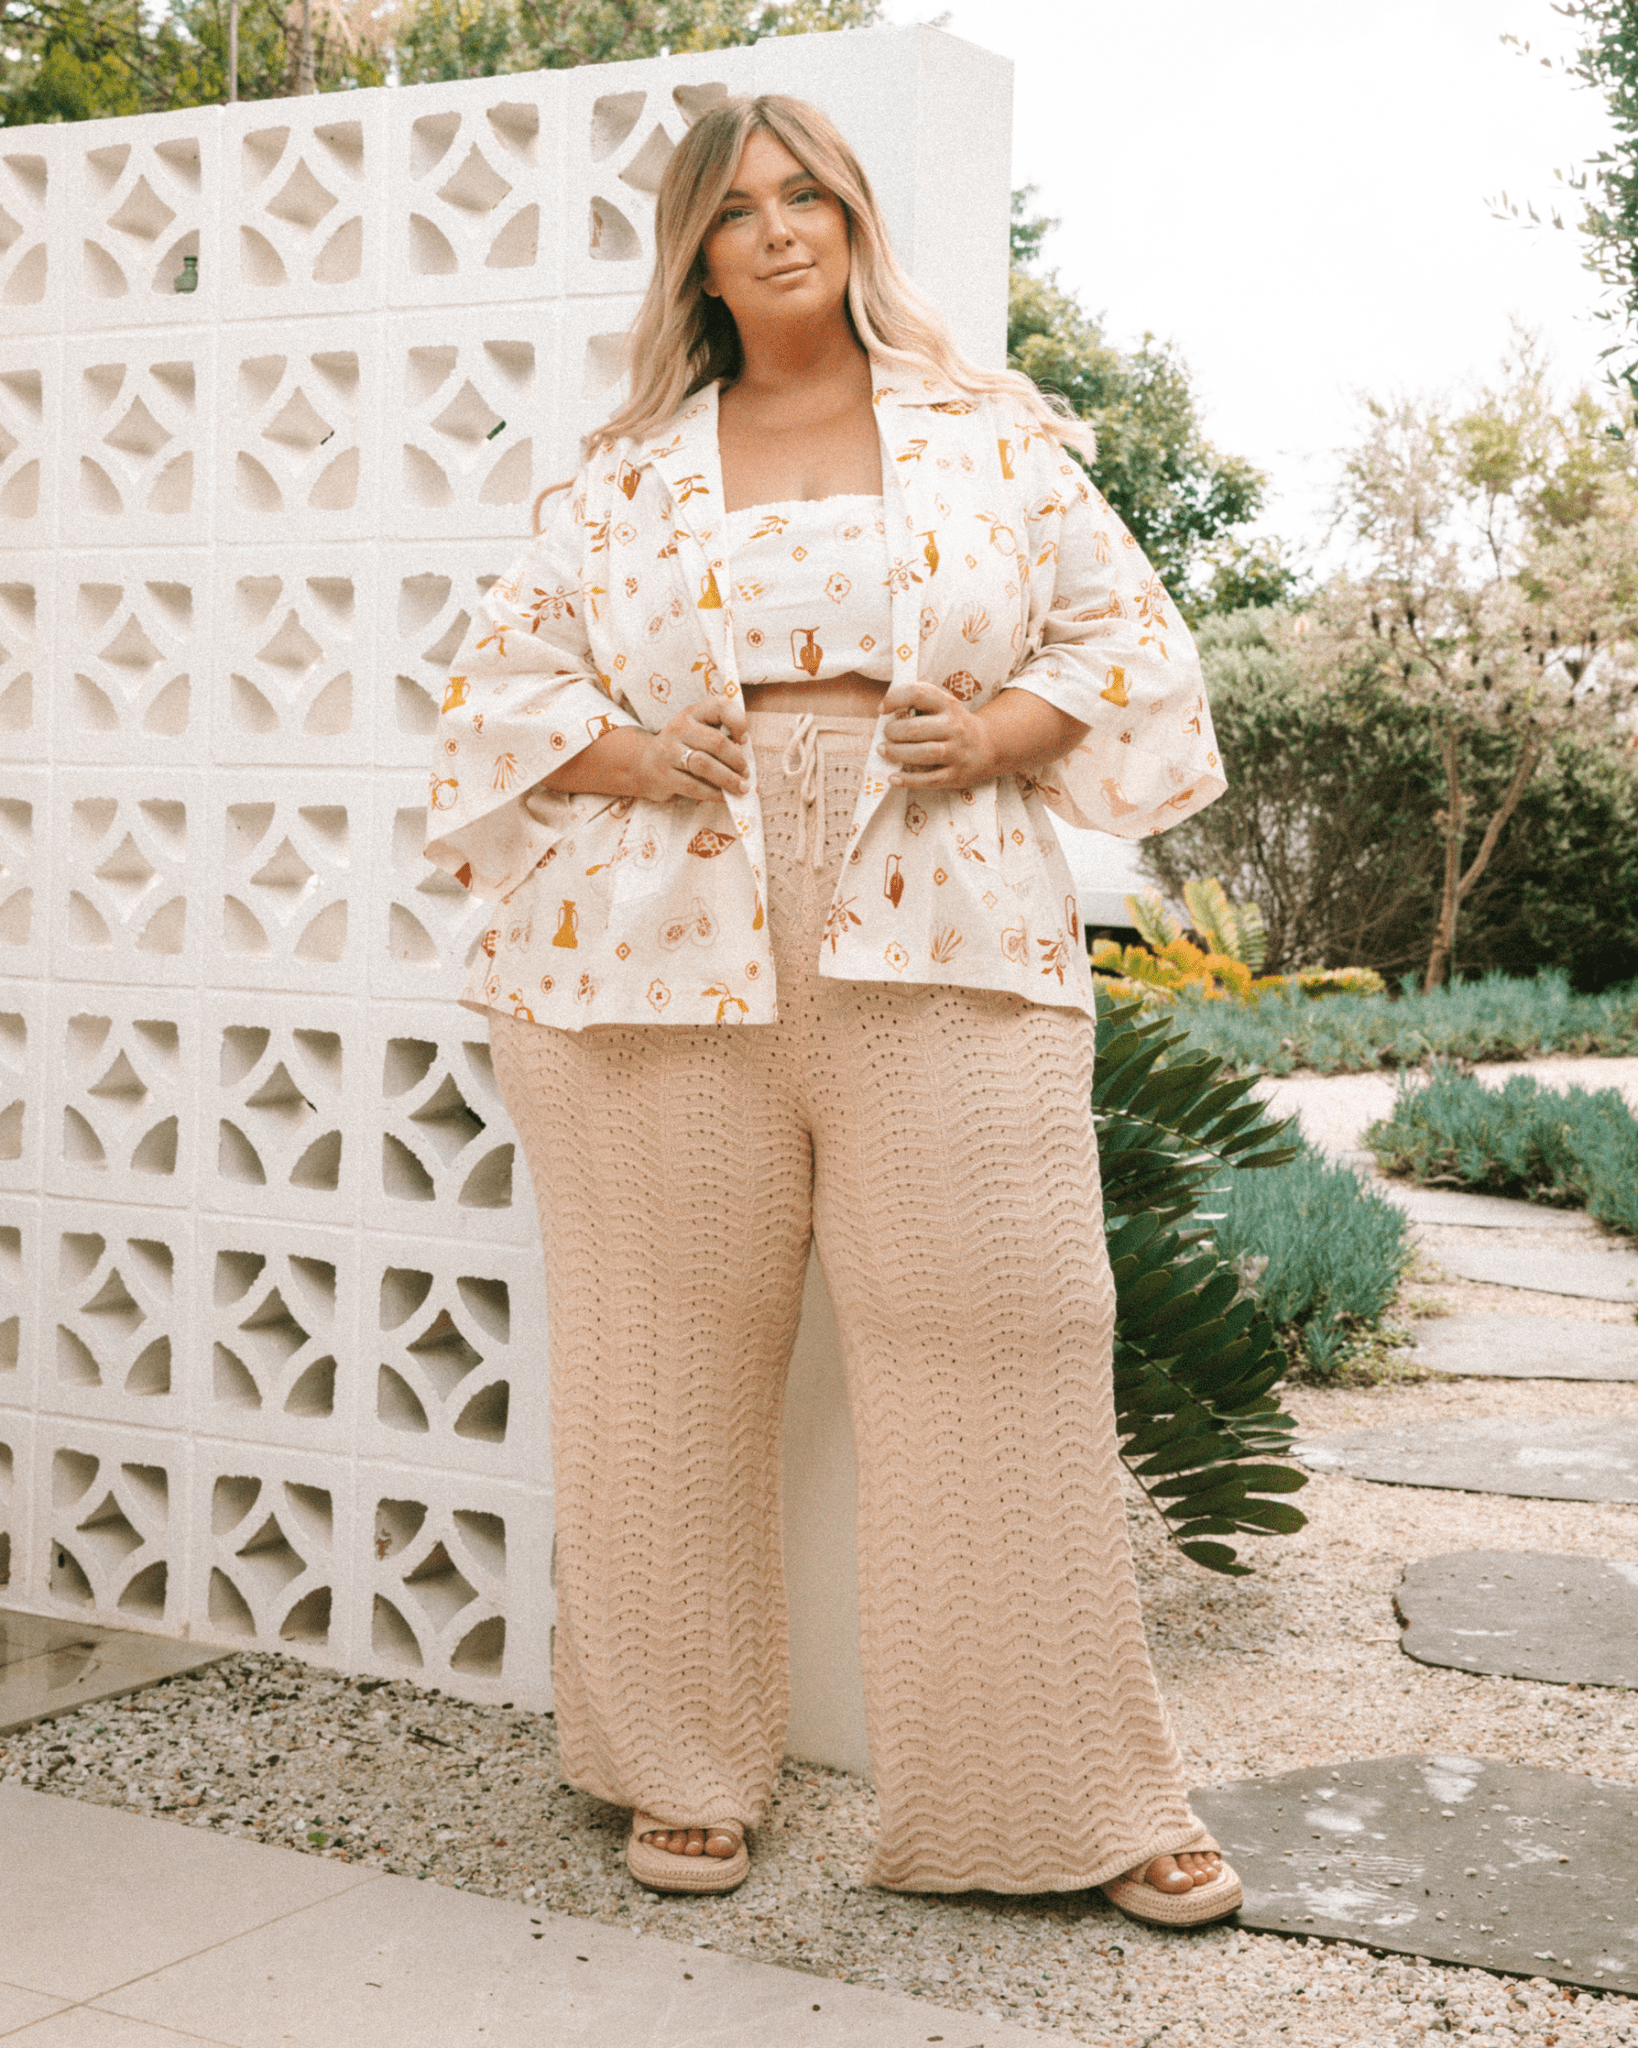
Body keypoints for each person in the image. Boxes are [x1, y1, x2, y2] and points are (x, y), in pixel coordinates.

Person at [425, 92, 1238, 1926]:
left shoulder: (992, 434)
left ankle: (1071, 1796)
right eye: (736, 210)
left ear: (855, 219)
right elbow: (489, 694)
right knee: (659, 1359)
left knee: (1012, 1334)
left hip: (944, 901)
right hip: (645, 943)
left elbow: (1130, 646)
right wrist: (633, 753)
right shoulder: (619, 476)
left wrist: (1001, 729)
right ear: (695, 257)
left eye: (807, 196)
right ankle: (677, 1764)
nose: (778, 230)